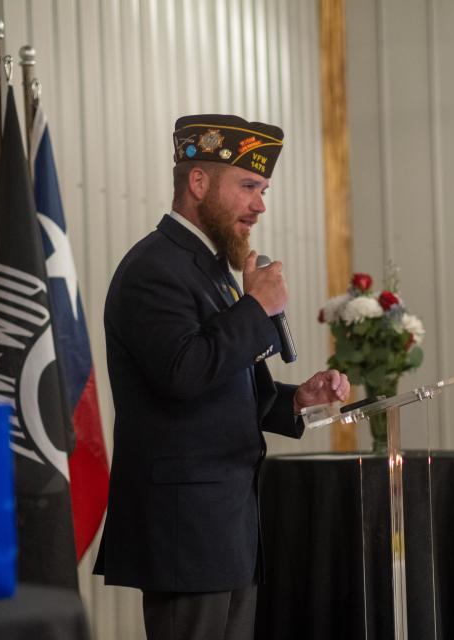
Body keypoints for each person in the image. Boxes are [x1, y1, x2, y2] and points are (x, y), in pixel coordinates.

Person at [95, 114, 350, 640]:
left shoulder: (212, 271)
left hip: (228, 524)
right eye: (249, 186)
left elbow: (233, 389)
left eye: (263, 190)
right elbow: (182, 373)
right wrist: (257, 308)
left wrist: (298, 399)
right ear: (198, 182)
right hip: (184, 528)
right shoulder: (154, 267)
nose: (259, 205)